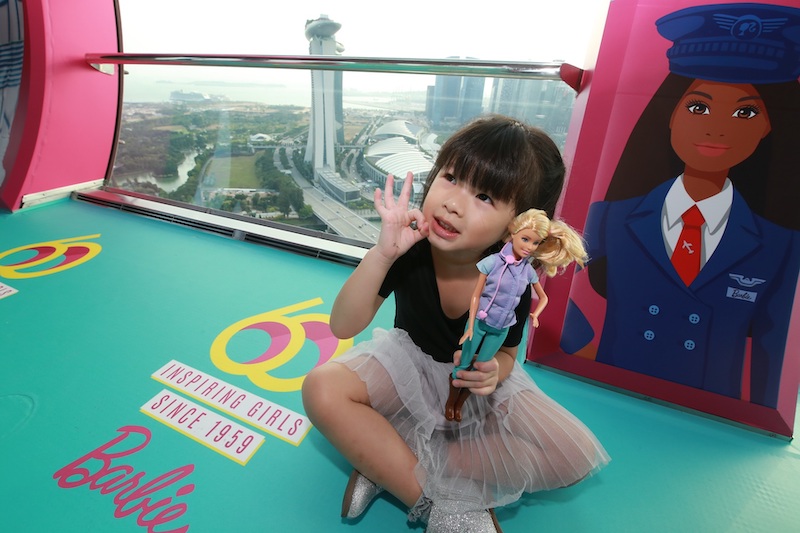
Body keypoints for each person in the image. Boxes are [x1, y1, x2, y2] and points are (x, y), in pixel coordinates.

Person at [302, 115, 609, 533]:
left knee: (568, 453)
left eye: (484, 196)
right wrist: (381, 255)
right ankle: (444, 507)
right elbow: (342, 325)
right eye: (450, 178)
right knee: (321, 387)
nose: (453, 202)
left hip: (468, 387)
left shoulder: (512, 279)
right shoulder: (411, 249)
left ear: (516, 226)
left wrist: (492, 373)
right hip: (405, 367)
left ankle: (386, 462)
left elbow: (506, 354)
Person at [561, 3, 800, 408]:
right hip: (602, 391)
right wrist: (566, 346)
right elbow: (539, 278)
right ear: (668, 115)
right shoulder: (609, 218)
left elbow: (772, 351)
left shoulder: (781, 245)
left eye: (745, 111)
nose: (717, 127)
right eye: (698, 106)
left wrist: (760, 419)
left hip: (710, 415)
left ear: (766, 126)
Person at [445, 208, 587, 422]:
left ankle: (461, 403)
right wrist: (472, 325)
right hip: (480, 322)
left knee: (481, 367)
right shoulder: (492, 262)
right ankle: (452, 401)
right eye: (525, 239)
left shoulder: (527, 272)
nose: (529, 247)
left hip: (501, 329)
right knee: (464, 362)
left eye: (535, 243)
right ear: (513, 234)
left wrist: (536, 314)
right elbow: (476, 295)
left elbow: (544, 297)